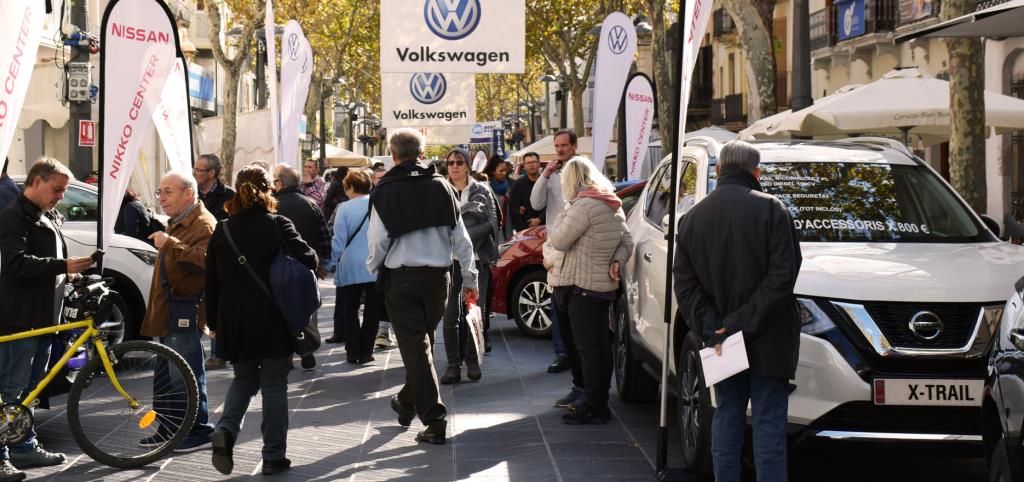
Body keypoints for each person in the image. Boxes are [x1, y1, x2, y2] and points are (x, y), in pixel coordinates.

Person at [673, 141, 802, 482]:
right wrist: (740, 324)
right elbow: (783, 277)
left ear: (718, 171)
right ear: (755, 172)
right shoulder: (773, 209)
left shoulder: (692, 219)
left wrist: (717, 327)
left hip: (718, 339)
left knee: (727, 414)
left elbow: (684, 285)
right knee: (769, 422)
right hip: (769, 336)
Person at [367, 128, 478, 446]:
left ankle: (434, 420)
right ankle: (405, 402)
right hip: (438, 281)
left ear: (392, 154)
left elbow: (377, 240)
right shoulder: (443, 187)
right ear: (421, 152)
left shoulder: (385, 190)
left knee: (417, 350)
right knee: (422, 347)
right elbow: (461, 239)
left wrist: (374, 268)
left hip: (401, 280)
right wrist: (470, 279)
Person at [205, 166, 318, 476]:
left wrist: (213, 322)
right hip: (273, 319)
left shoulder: (222, 229)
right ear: (270, 191)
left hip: (234, 321)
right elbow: (311, 260)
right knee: (274, 384)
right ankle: (273, 456)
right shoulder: (278, 224)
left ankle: (226, 430)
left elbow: (211, 282)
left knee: (243, 378)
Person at [0, 159, 90, 480]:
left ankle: (24, 447)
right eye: (57, 190)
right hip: (21, 320)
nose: (61, 197)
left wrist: (70, 279)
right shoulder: (13, 216)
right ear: (36, 182)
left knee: (30, 392)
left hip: (44, 320)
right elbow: (15, 265)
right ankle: (2, 455)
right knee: (9, 392)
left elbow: (48, 264)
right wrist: (63, 266)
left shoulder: (43, 215)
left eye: (63, 191)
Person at [548, 157, 633, 424]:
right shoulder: (612, 204)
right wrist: (617, 261)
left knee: (587, 348)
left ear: (571, 180)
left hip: (581, 286)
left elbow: (559, 240)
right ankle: (596, 399)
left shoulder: (582, 206)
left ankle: (594, 404)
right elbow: (627, 240)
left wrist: (564, 214)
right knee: (599, 347)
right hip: (601, 287)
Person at [140, 170, 217, 453]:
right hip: (170, 310)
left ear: (188, 193)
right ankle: (170, 427)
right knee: (165, 371)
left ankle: (198, 430)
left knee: (184, 372)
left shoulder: (204, 224)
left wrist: (170, 243)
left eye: (167, 191)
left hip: (184, 310)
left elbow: (208, 262)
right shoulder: (181, 220)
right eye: (159, 192)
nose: (161, 198)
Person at [440, 148, 499, 384]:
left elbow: (492, 223)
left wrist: (462, 236)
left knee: (474, 312)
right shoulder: (440, 190)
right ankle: (453, 364)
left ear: (467, 166)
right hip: (448, 262)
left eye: (459, 162)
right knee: (450, 316)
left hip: (477, 260)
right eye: (450, 163)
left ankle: (473, 361)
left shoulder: (482, 190)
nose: (454, 166)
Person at [272, 164, 332, 363]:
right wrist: (321, 261)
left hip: (278, 268)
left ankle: (287, 353)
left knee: (281, 310)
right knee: (308, 306)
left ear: (280, 183)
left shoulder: (272, 206)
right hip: (306, 266)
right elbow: (324, 237)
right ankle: (307, 350)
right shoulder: (310, 204)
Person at [530, 130, 577, 381]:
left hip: (579, 245)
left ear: (574, 146)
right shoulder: (551, 174)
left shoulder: (583, 170)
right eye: (557, 145)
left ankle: (576, 352)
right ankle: (562, 353)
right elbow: (536, 203)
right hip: (556, 248)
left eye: (564, 145)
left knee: (577, 302)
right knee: (557, 301)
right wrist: (545, 174)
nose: (560, 150)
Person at [326, 170, 383, 364]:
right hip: (374, 263)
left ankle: (352, 349)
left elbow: (338, 240)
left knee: (350, 307)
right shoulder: (377, 205)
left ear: (350, 187)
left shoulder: (344, 208)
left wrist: (329, 263)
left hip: (350, 264)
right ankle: (367, 350)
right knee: (372, 310)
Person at [508, 152, 545, 232]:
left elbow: (552, 204)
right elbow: (514, 208)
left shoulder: (546, 182)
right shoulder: (518, 184)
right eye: (528, 163)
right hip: (525, 229)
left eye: (534, 162)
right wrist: (523, 230)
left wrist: (540, 219)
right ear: (524, 166)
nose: (531, 165)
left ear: (539, 164)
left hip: (545, 227)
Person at [194, 154, 236, 222]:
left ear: (211, 173)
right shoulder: (190, 193)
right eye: (194, 169)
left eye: (198, 170)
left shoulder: (230, 195)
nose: (194, 173)